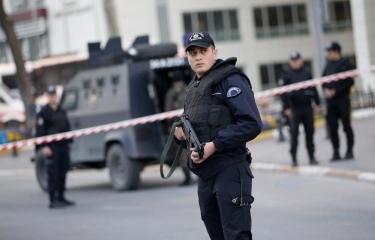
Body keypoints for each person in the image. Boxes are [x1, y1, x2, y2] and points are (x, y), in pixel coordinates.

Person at [174, 31, 262, 240]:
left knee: (235, 236)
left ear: (214, 52)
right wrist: (181, 131)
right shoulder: (194, 87)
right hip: (206, 174)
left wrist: (215, 145)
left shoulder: (230, 80)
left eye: (203, 51)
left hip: (230, 170)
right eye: (192, 53)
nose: (198, 56)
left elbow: (251, 124)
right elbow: (199, 123)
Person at [35, 85, 75, 209]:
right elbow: (40, 131)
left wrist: (70, 141)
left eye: (54, 94)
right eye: (50, 95)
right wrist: (44, 146)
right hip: (52, 147)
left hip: (63, 145)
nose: (52, 97)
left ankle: (61, 196)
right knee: (53, 173)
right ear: (47, 96)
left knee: (63, 172)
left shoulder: (61, 110)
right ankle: (53, 199)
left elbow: (67, 126)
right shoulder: (43, 112)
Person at [279, 51, 321, 167]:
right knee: (294, 135)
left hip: (307, 107)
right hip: (294, 109)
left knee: (310, 133)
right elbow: (283, 94)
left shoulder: (307, 73)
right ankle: (294, 159)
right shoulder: (286, 74)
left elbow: (314, 89)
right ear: (290, 62)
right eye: (293, 61)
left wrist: (317, 103)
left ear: (301, 60)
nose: (295, 62)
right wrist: (286, 108)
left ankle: (312, 157)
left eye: (297, 60)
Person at [322, 42, 355, 161]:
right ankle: (336, 152)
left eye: (330, 52)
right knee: (332, 127)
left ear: (336, 51)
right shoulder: (328, 66)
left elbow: (350, 82)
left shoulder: (346, 64)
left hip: (342, 100)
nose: (329, 54)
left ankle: (350, 150)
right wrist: (326, 90)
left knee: (347, 126)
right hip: (331, 102)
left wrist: (336, 91)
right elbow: (323, 80)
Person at [164, 70, 192, 186]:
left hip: (179, 126)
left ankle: (188, 178)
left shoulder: (171, 93)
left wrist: (169, 126)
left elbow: (168, 110)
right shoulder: (190, 89)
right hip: (192, 124)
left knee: (182, 152)